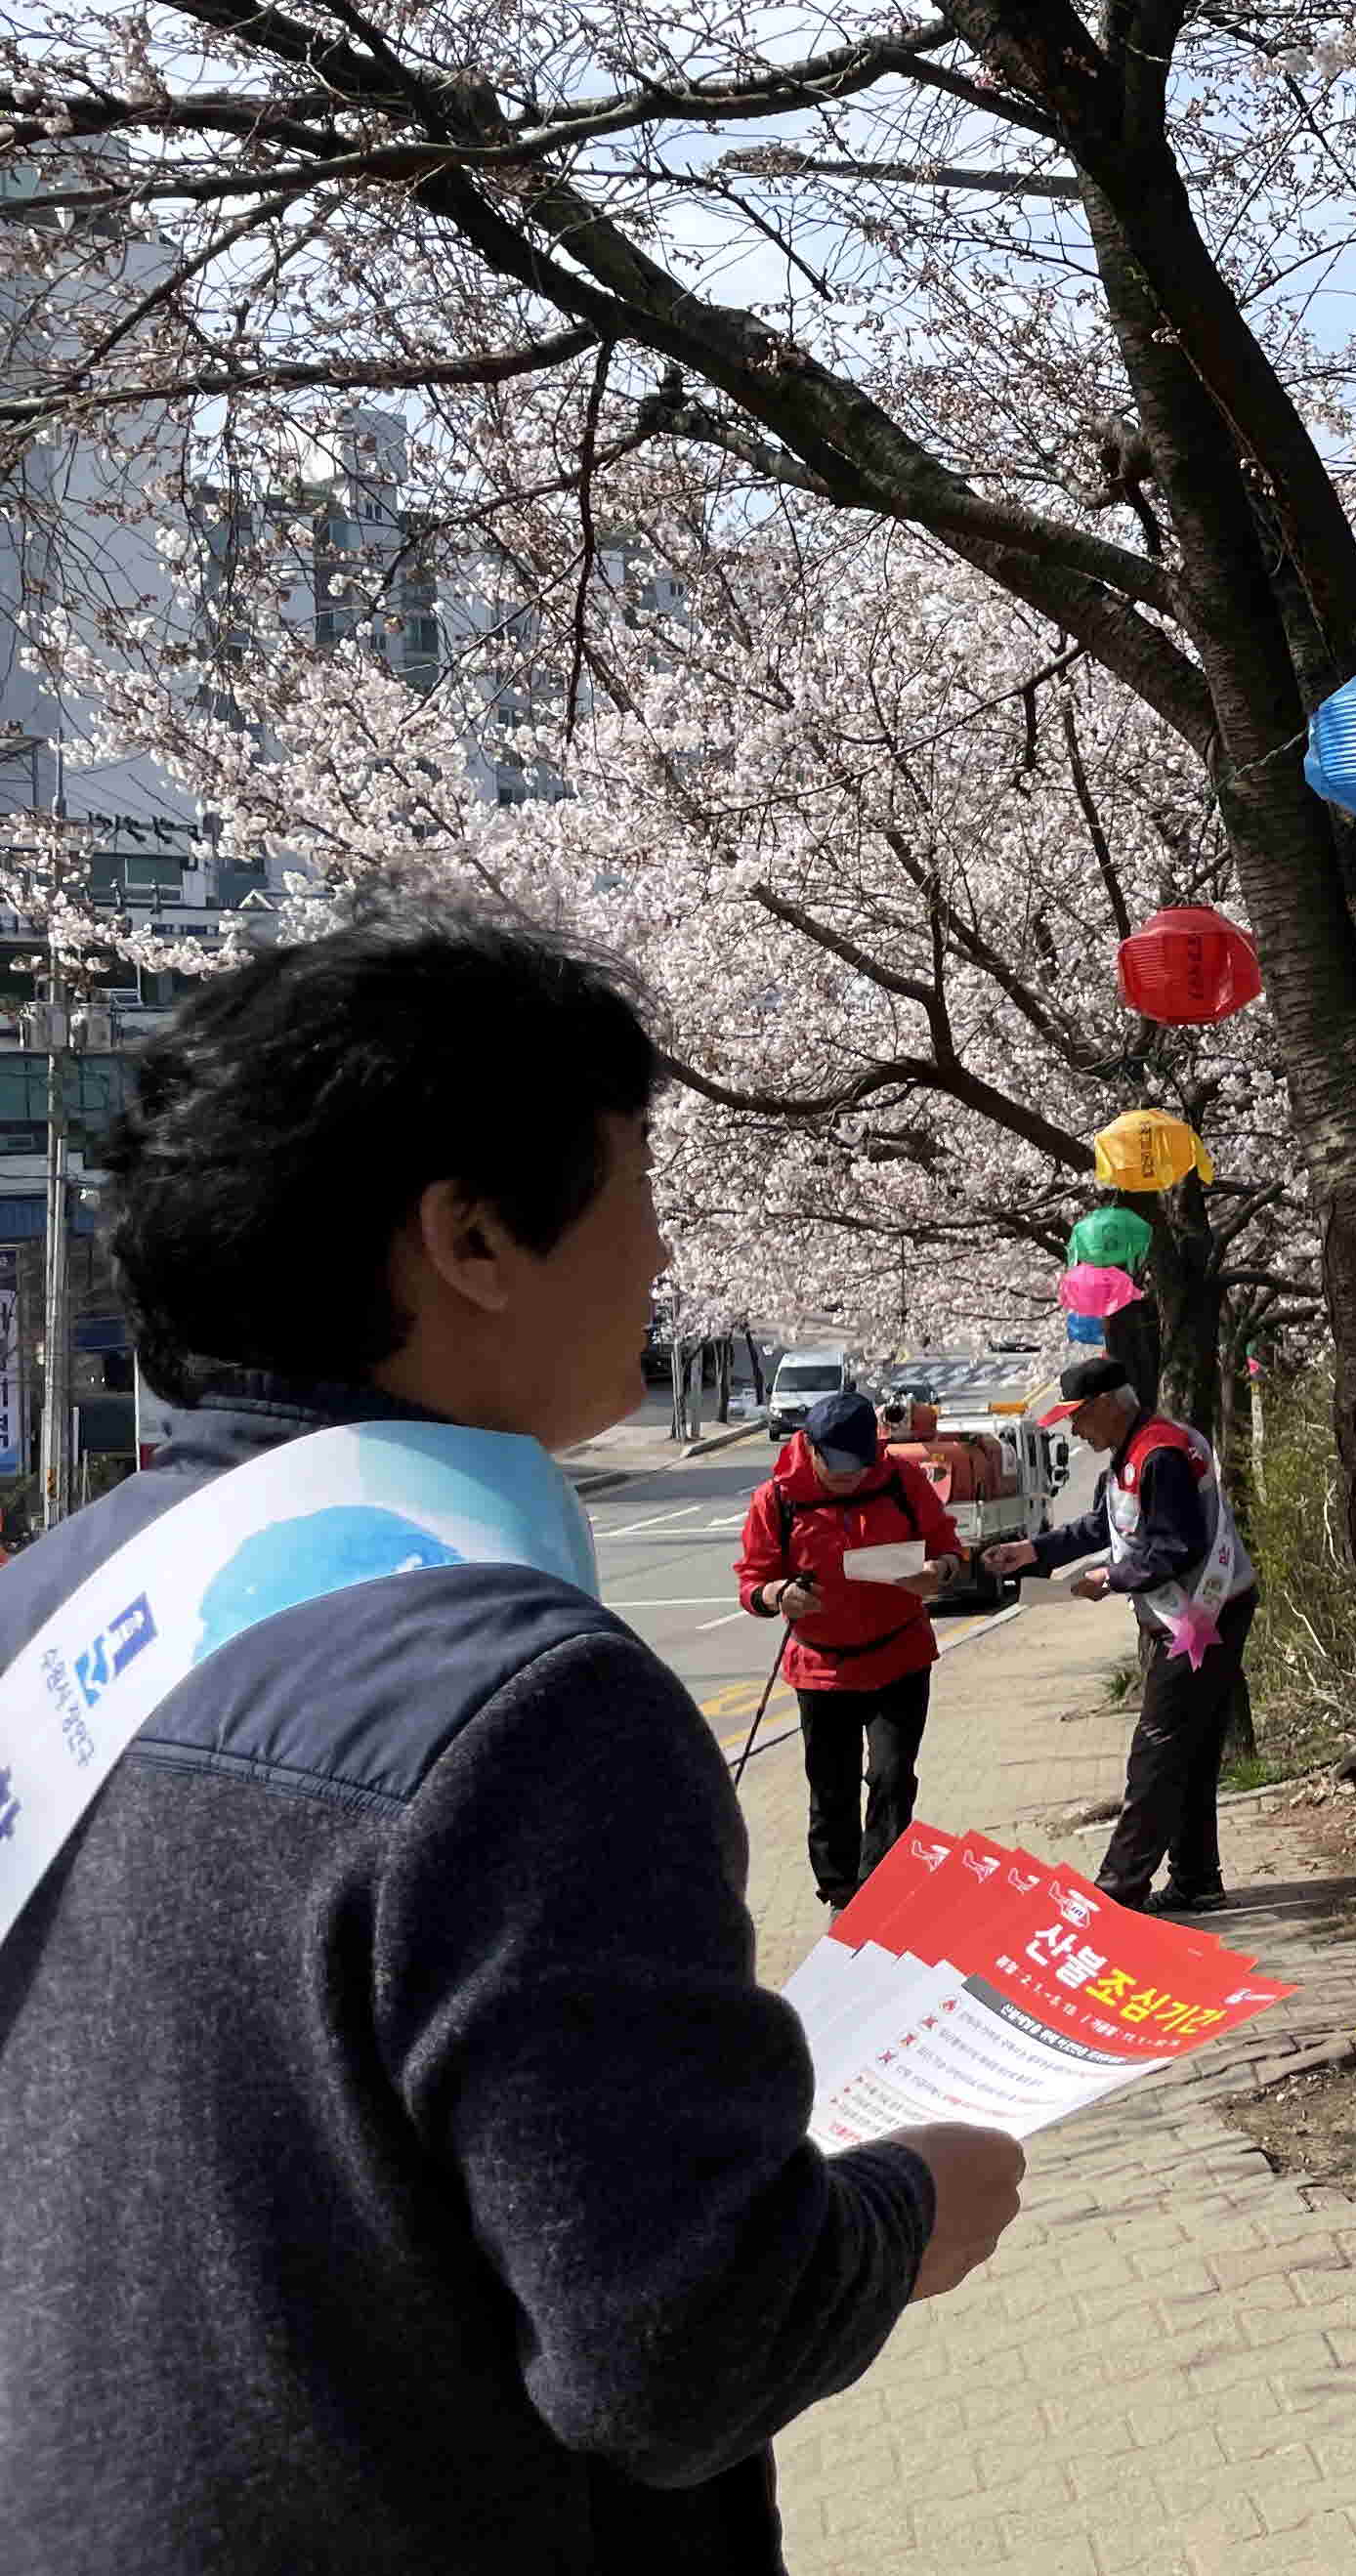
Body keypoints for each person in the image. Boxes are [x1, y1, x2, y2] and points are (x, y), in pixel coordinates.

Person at [0, 900, 1026, 2573]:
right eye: (638, 1186)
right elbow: (674, 2348)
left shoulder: (41, 1603)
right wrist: (906, 2209)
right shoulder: (529, 1706)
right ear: (473, 1238)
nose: (664, 1257)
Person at [983, 1354, 1256, 1913]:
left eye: (1078, 1418)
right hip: (1188, 1617)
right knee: (1192, 1751)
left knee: (1156, 1753)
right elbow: (1102, 1527)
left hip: (1201, 1618)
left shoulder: (1159, 1454)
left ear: (1107, 1405)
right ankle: (1196, 1879)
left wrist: (1110, 1577)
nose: (1075, 1431)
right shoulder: (1132, 1452)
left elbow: (1174, 1545)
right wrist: (1034, 1551)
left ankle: (1119, 1890)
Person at [736, 1388, 968, 1907]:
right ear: (809, 1447)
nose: (850, 1474)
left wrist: (940, 1571)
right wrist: (779, 1595)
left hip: (899, 1654)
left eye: (861, 1463)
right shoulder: (777, 1498)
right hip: (822, 1666)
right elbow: (752, 1582)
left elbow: (948, 1546)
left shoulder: (904, 1482)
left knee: (890, 1775)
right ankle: (841, 1891)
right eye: (837, 1463)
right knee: (830, 1784)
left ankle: (882, 1889)